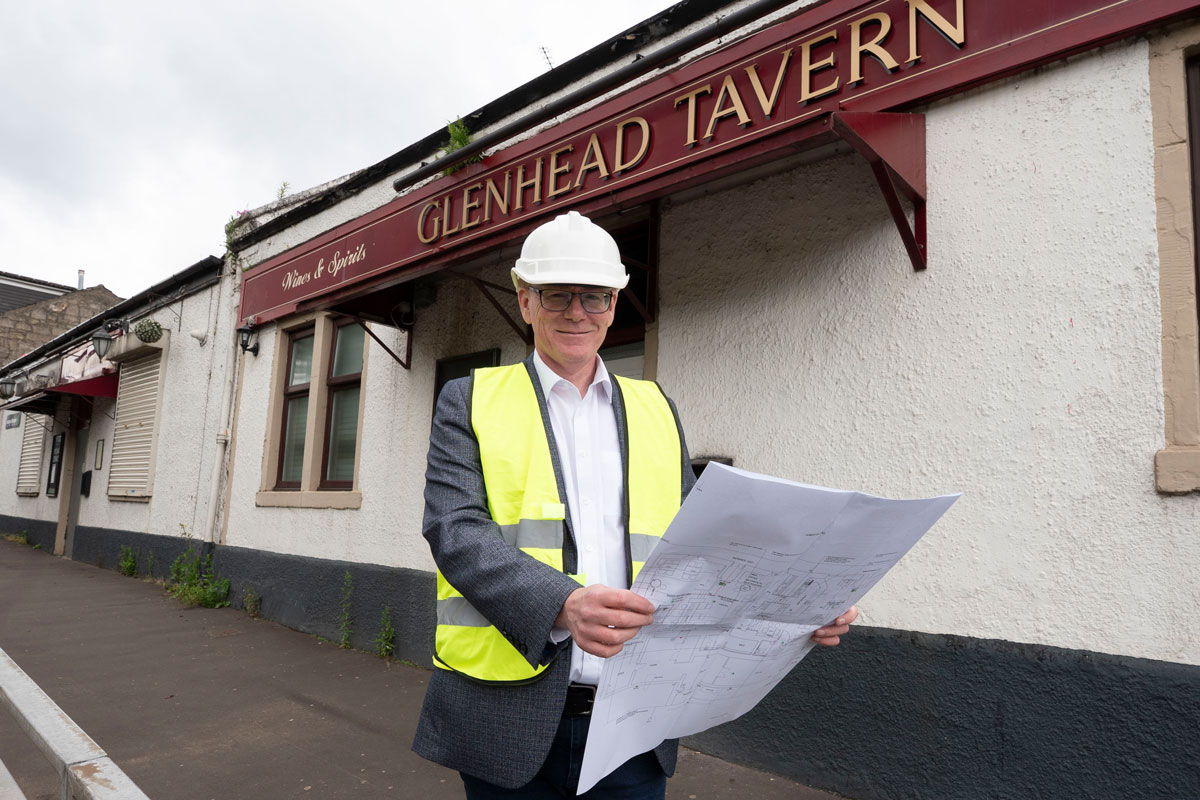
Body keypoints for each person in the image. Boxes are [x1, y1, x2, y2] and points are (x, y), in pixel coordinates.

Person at [413, 210, 858, 798]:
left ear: (614, 305)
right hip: (506, 720)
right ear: (524, 302)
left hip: (634, 725)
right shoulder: (469, 399)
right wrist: (562, 604)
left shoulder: (655, 408)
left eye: (595, 297)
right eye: (557, 296)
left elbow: (709, 547)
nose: (578, 312)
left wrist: (798, 605)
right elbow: (455, 530)